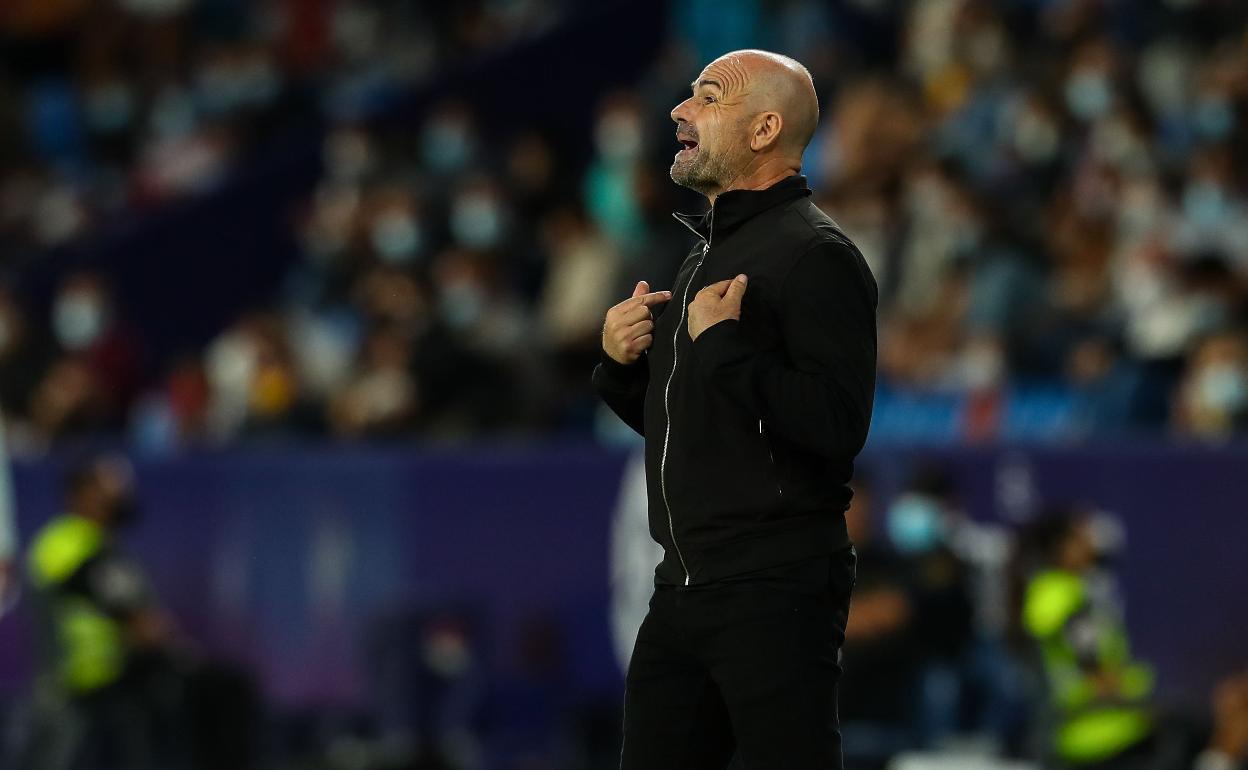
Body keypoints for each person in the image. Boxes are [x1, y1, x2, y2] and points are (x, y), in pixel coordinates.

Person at [593, 49, 877, 769]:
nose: (680, 111)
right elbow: (704, 429)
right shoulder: (700, 256)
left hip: (774, 586)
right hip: (683, 587)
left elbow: (837, 426)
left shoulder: (816, 256)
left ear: (763, 130)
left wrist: (726, 352)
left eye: (709, 97)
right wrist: (622, 370)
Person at [19, 455, 178, 770]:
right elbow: (138, 618)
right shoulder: (63, 541)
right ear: (81, 493)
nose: (115, 495)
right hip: (73, 689)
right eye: (105, 487)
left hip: (113, 684)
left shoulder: (104, 544)